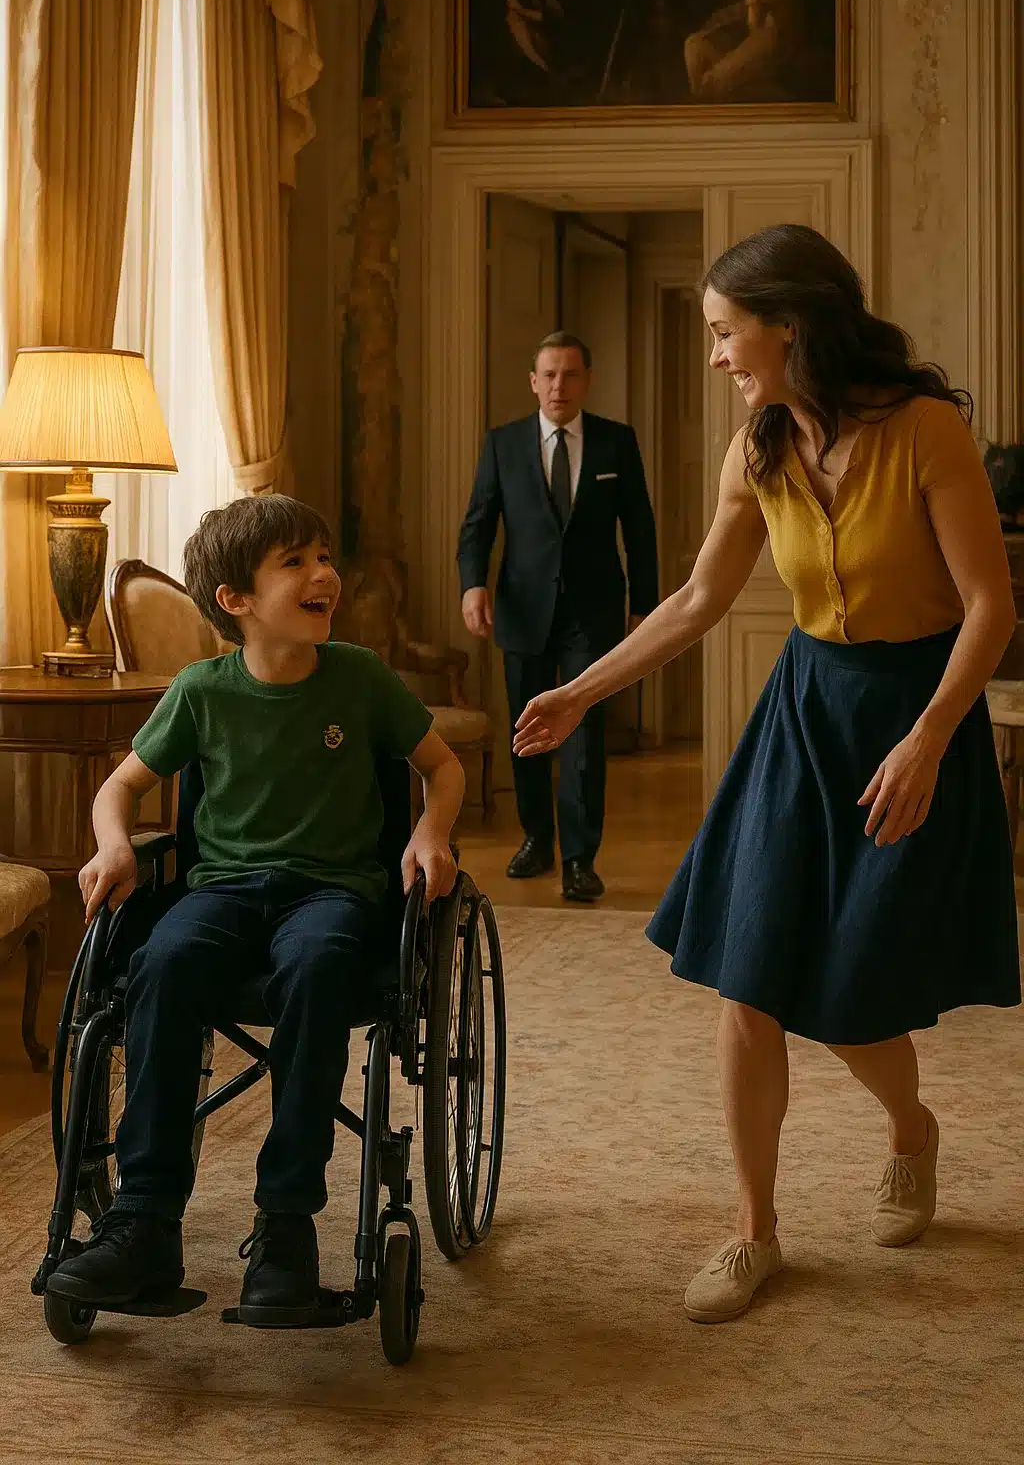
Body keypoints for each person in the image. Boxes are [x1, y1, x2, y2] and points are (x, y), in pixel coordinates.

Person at [513, 225, 1021, 1322]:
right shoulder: (758, 447)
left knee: (846, 998)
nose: (714, 356)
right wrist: (579, 693)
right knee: (746, 978)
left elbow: (990, 607)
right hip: (805, 712)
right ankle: (753, 1232)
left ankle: (911, 1130)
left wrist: (931, 736)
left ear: (788, 323)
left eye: (722, 331)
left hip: (912, 712)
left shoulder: (926, 431)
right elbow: (695, 602)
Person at [47, 495, 464, 1325]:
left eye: (323, 556)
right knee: (160, 964)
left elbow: (442, 767)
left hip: (334, 893)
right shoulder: (203, 691)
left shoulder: (361, 678)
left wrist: (431, 831)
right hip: (226, 891)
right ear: (235, 601)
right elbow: (119, 787)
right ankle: (144, 1222)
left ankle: (286, 1227)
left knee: (316, 967)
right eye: (296, 563)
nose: (325, 575)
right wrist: (115, 844)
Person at [457, 332, 658, 903]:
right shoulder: (504, 443)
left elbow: (639, 530)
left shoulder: (616, 443)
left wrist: (645, 605)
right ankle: (535, 840)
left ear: (585, 380)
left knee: (583, 736)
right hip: (521, 610)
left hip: (592, 616)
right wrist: (473, 584)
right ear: (533, 382)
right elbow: (479, 523)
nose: (558, 386)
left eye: (570, 374)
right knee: (528, 730)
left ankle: (578, 858)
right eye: (548, 375)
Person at [684, 0, 805, 104]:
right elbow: (739, 12)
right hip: (783, 45)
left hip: (767, 51)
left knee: (710, 77)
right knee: (701, 48)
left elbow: (752, 25)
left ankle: (702, 102)